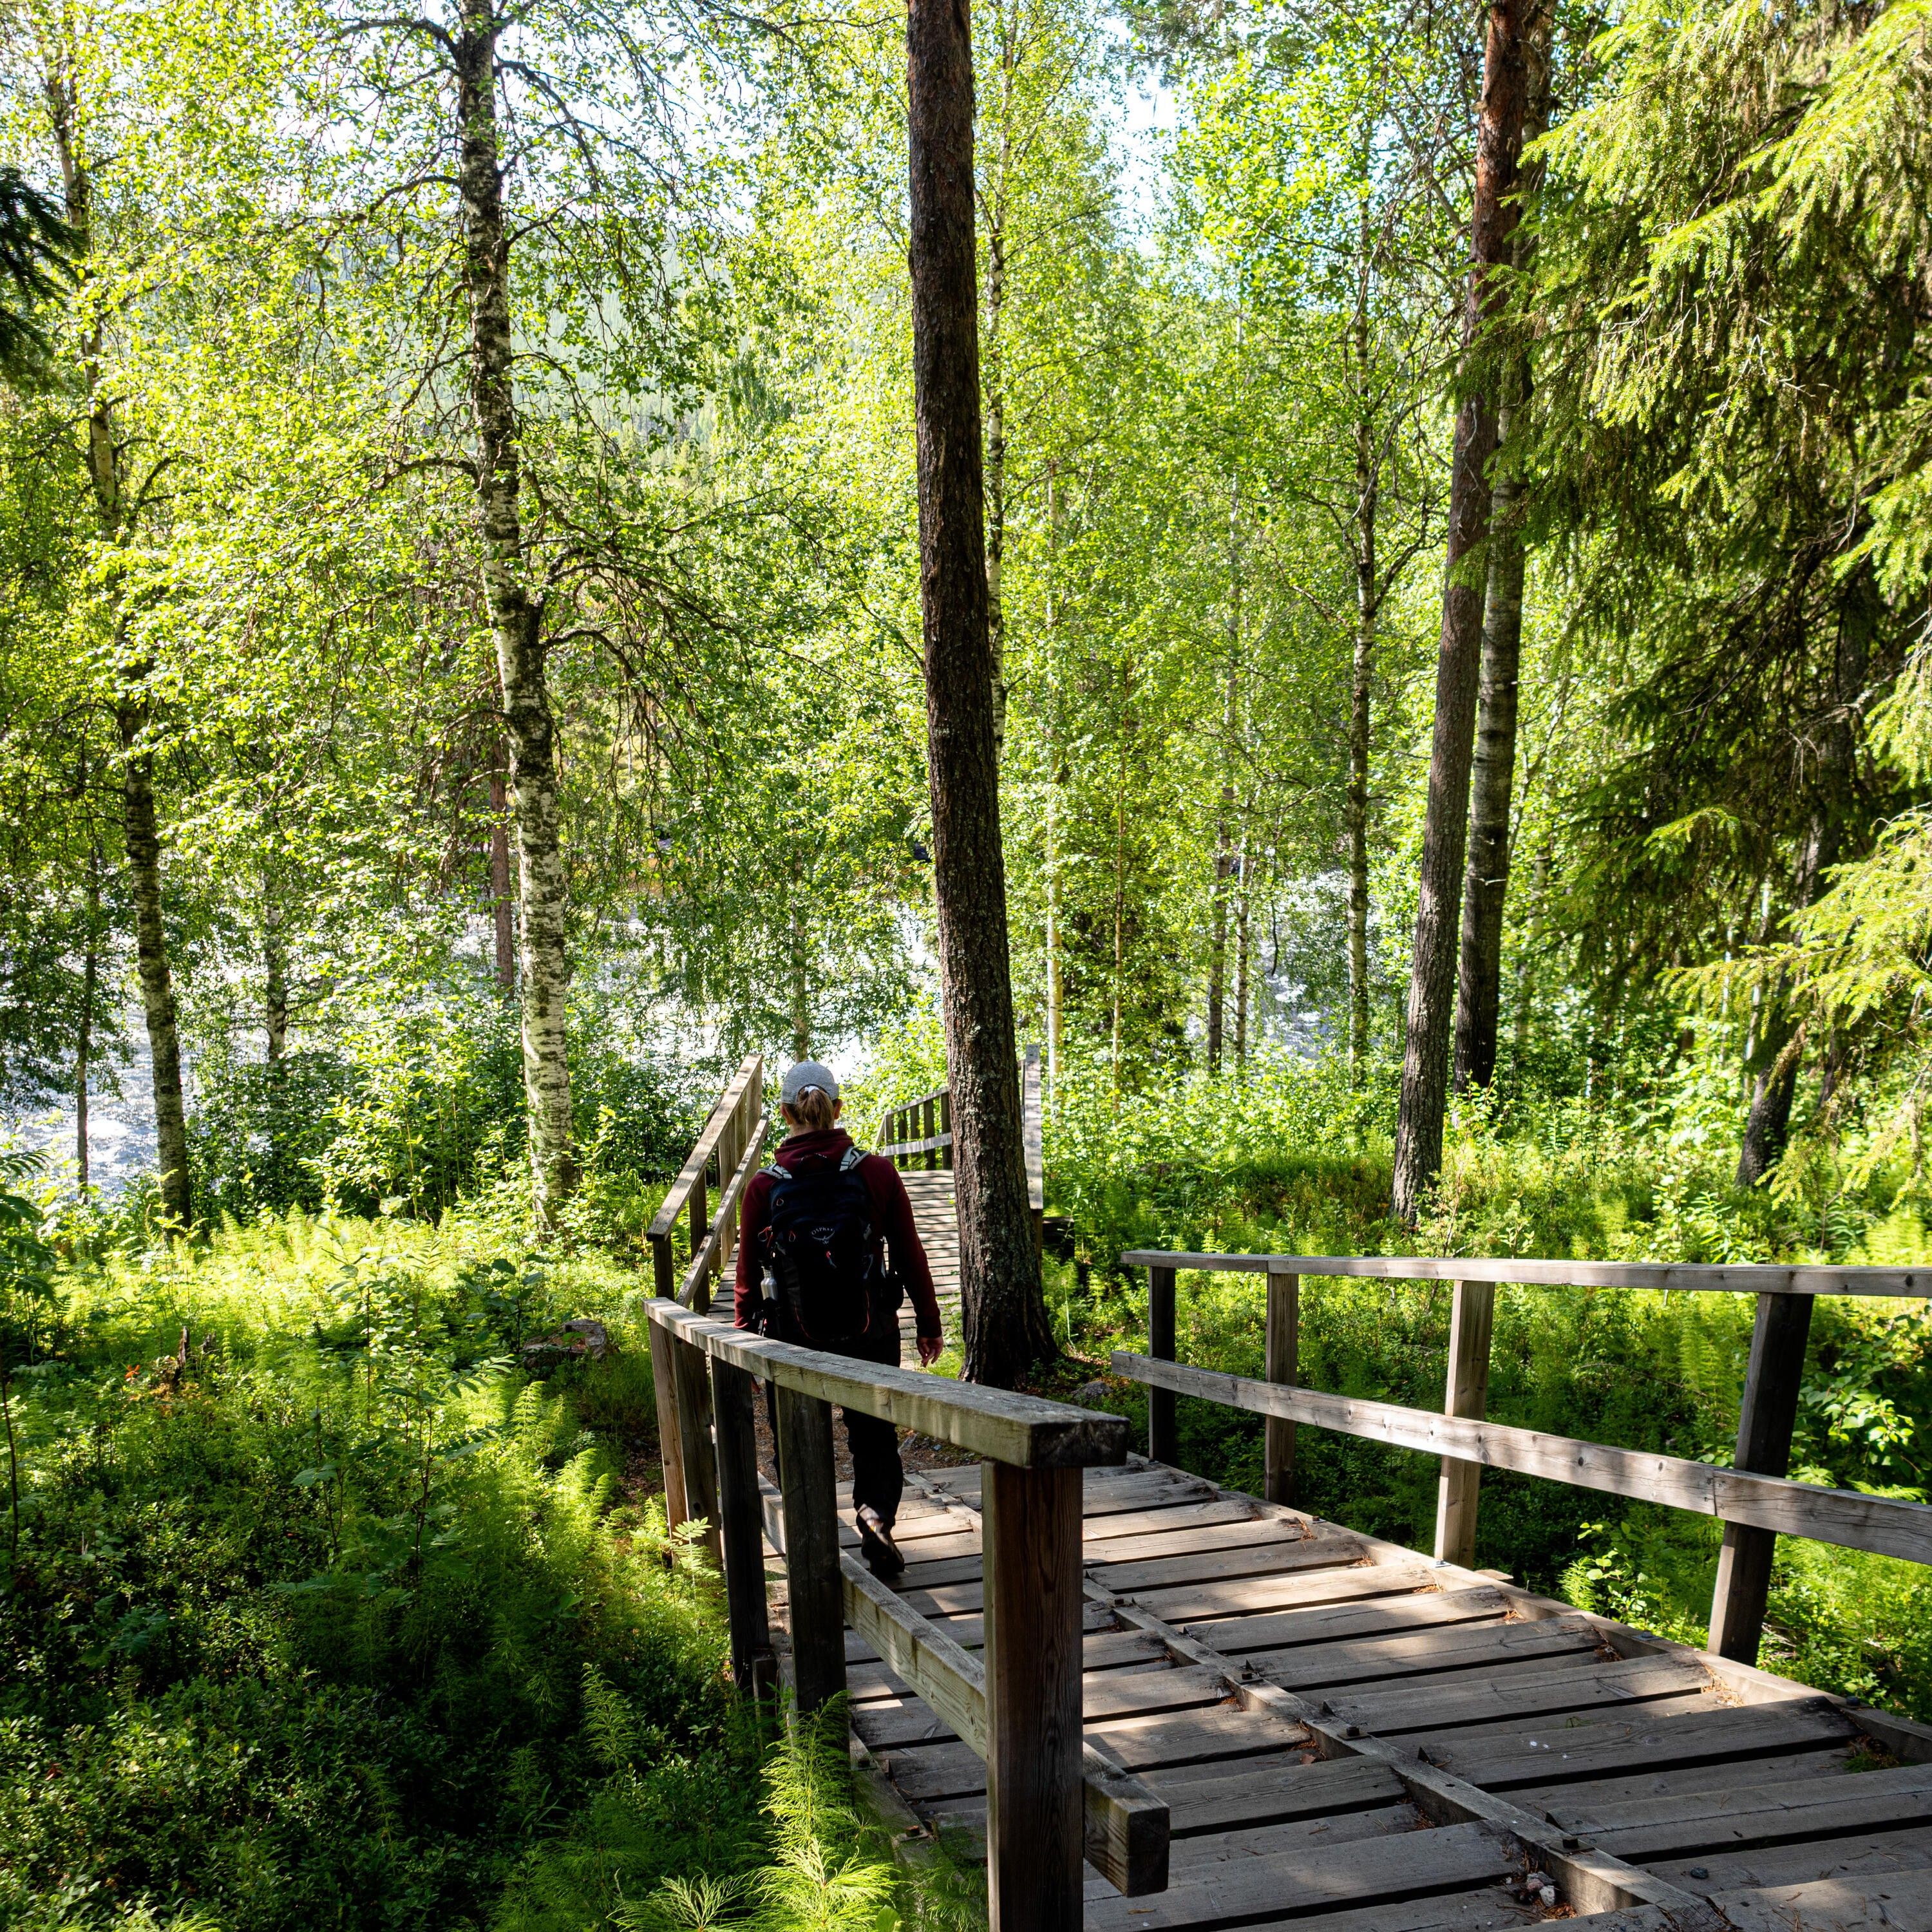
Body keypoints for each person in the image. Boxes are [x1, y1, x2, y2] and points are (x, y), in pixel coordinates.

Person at [734, 1061, 943, 1578]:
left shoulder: (765, 1186)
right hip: (870, 1326)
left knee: (796, 1434)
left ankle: (809, 1537)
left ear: (785, 1114)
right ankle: (875, 1517)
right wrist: (928, 1320)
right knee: (873, 1432)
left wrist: (744, 1341)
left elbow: (746, 1270)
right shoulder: (874, 1171)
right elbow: (910, 1252)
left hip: (792, 1333)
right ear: (839, 1109)